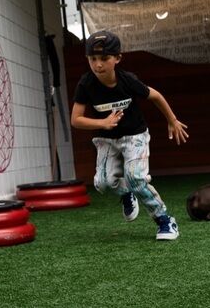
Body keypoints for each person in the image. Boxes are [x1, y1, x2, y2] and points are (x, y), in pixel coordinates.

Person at [70, 31, 189, 240]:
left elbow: (156, 96)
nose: (98, 64)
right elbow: (76, 119)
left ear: (117, 58)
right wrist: (103, 123)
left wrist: (172, 120)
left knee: (135, 177)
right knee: (102, 183)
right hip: (106, 139)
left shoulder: (127, 80)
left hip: (134, 136)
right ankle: (126, 193)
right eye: (93, 59)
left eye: (104, 58)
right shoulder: (86, 84)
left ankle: (164, 219)